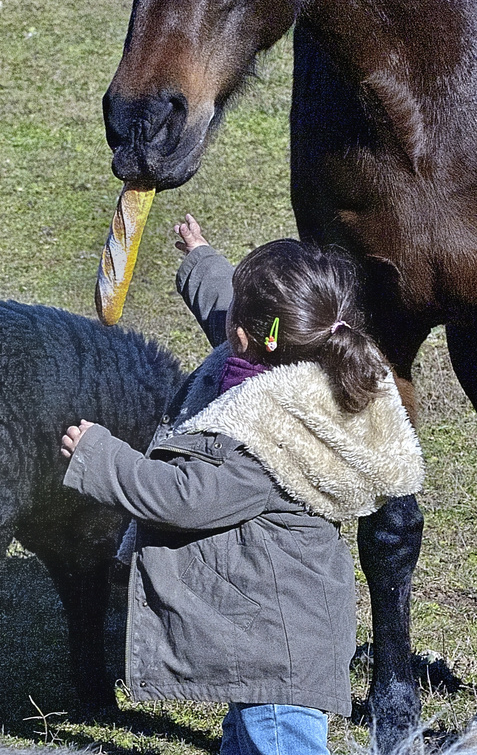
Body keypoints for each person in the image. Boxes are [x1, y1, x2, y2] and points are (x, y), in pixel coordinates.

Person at [61, 218, 424, 755]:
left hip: (275, 654)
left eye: (237, 304)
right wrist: (202, 258)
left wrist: (100, 455)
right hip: (267, 635)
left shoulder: (266, 436)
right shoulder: (306, 362)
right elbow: (232, 317)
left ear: (249, 335)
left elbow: (182, 496)